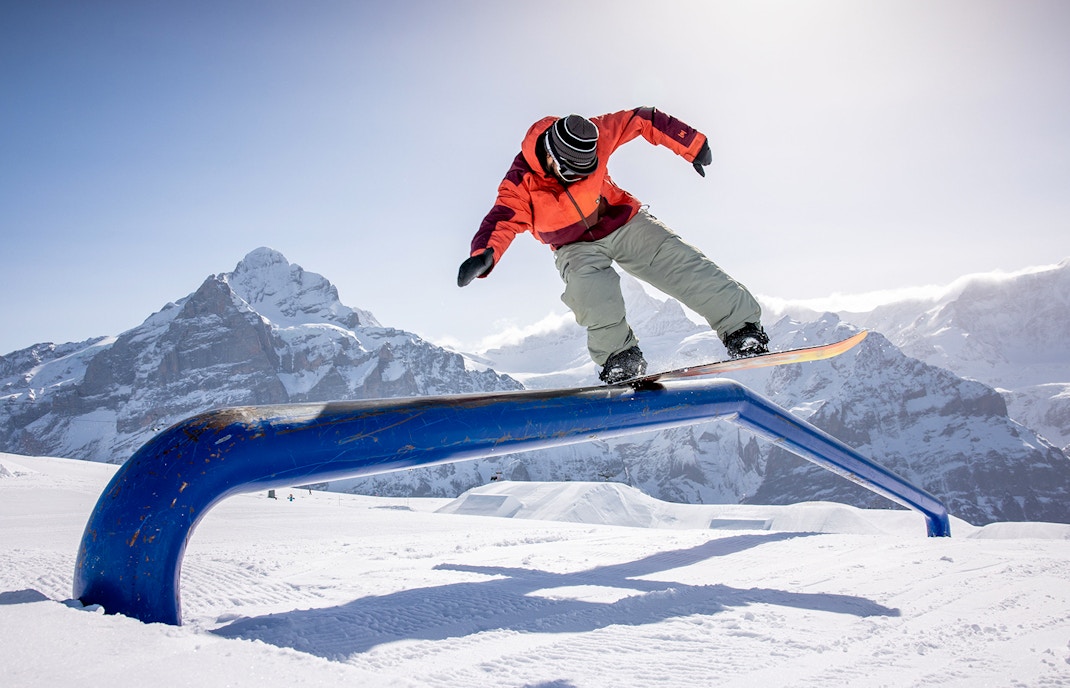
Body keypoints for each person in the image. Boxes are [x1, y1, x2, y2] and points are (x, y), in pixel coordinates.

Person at [458, 107, 768, 384]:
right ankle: (620, 359)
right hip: (574, 246)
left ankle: (741, 328)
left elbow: (643, 118)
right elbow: (501, 220)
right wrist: (484, 255)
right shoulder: (519, 182)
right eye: (573, 173)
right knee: (591, 293)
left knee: (678, 262)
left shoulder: (599, 131)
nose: (579, 178)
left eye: (588, 169)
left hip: (621, 221)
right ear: (552, 158)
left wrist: (692, 144)